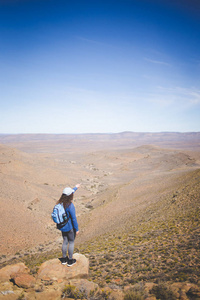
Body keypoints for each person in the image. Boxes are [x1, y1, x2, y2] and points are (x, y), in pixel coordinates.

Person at [57, 183, 80, 266]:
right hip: (69, 227)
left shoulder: (60, 203)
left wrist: (76, 187)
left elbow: (70, 192)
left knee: (65, 241)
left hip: (62, 226)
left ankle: (63, 259)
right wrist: (76, 229)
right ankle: (70, 260)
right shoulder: (70, 206)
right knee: (71, 242)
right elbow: (74, 218)